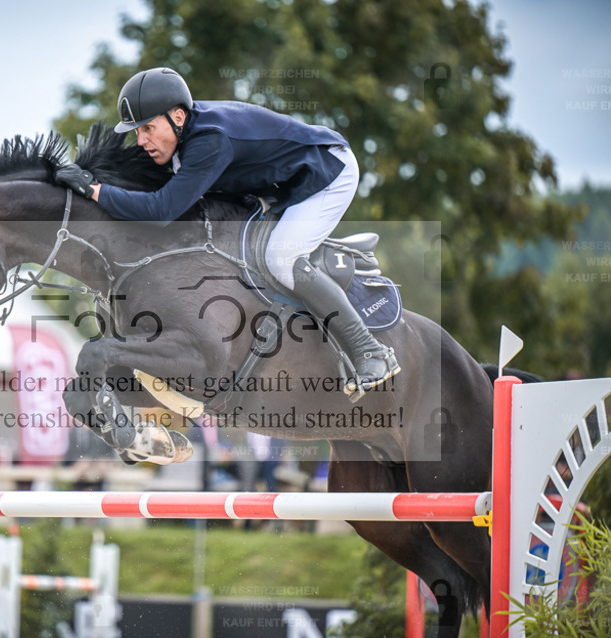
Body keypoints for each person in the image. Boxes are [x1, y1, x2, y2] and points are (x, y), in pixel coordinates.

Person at [56, 67, 399, 393]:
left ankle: (370, 351)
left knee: (280, 258)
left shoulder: (209, 141)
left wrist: (95, 191)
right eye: (136, 131)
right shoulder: (181, 137)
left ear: (177, 117)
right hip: (284, 184)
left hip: (328, 174)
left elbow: (162, 211)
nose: (141, 139)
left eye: (147, 128)